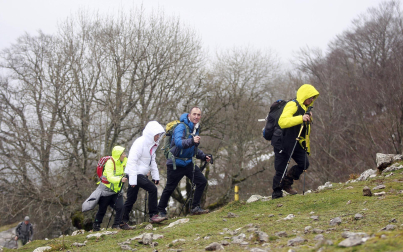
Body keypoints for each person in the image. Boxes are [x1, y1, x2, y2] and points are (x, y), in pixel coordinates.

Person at [158, 107, 212, 216]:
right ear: (189, 115)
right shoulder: (181, 127)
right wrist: (192, 140)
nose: (196, 117)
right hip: (175, 163)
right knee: (170, 188)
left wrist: (203, 156)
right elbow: (178, 143)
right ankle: (161, 211)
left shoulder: (196, 128)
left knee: (202, 181)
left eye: (198, 115)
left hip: (188, 163)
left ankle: (195, 207)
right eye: (194, 114)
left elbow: (193, 149)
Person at [271, 84, 319, 199]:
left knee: (304, 163)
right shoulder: (292, 105)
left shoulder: (306, 108)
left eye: (313, 98)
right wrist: (301, 118)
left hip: (296, 141)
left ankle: (287, 183)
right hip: (282, 141)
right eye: (310, 97)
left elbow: (305, 131)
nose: (311, 100)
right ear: (304, 96)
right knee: (281, 168)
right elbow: (282, 122)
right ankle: (277, 193)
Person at [119, 121, 167, 229]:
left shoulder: (152, 146)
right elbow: (131, 161)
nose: (158, 137)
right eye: (157, 135)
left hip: (139, 174)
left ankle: (121, 222)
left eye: (159, 135)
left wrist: (156, 177)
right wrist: (132, 180)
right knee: (152, 189)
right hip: (134, 173)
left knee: (131, 198)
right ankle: (153, 215)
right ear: (151, 134)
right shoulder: (140, 142)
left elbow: (152, 162)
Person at [92, 146, 128, 231]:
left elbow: (132, 167)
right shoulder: (110, 163)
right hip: (106, 190)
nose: (125, 155)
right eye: (123, 154)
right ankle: (96, 226)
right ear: (118, 155)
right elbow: (110, 177)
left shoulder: (125, 161)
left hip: (117, 190)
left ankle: (116, 225)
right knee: (102, 209)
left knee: (121, 207)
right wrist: (120, 179)